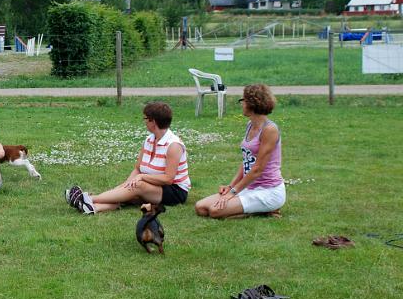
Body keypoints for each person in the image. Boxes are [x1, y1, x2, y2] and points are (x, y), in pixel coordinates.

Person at [66, 102, 191, 214]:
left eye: (145, 119)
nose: (144, 121)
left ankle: (88, 198)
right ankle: (92, 207)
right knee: (126, 193)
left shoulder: (174, 145)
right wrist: (125, 185)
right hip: (152, 186)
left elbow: (168, 179)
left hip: (174, 191)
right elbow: (138, 169)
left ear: (153, 122)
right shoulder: (149, 140)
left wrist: (141, 177)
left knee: (137, 186)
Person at [195, 84, 285, 219]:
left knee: (215, 211)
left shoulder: (269, 130)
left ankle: (264, 209)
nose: (241, 104)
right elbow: (246, 161)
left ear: (252, 104)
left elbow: (257, 169)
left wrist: (232, 193)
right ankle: (260, 210)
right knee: (200, 207)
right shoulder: (250, 125)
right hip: (249, 188)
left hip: (268, 191)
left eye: (243, 101)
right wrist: (231, 186)